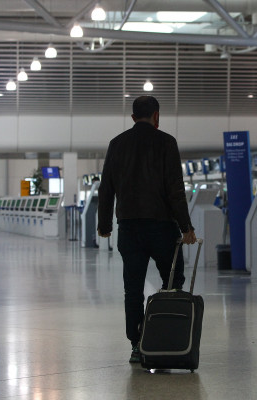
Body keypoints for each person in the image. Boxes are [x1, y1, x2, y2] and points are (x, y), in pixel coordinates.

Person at [97, 95, 196, 363]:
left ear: (132, 118)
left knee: (133, 289)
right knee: (172, 282)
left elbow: (106, 189)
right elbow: (175, 189)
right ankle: (167, 337)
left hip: (129, 228)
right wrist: (186, 227)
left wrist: (104, 224)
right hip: (162, 226)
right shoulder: (166, 142)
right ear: (157, 116)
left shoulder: (117, 144)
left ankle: (137, 344)